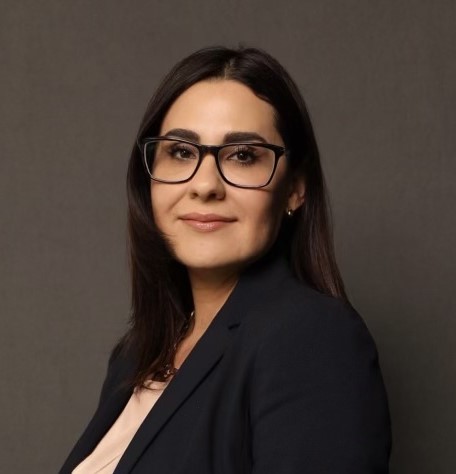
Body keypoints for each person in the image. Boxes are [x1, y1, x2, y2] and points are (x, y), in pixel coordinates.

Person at [60, 46, 392, 473]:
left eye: (243, 156)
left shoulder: (313, 338)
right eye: (181, 152)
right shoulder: (136, 356)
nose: (205, 186)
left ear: (295, 189)